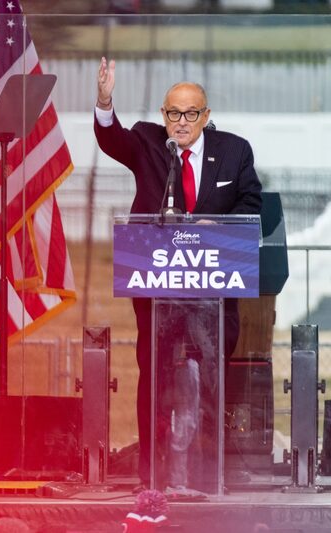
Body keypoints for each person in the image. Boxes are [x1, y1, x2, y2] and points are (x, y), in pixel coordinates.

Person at [94, 57, 262, 491]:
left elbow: (251, 205)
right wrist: (105, 99)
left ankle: (208, 475)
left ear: (205, 116)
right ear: (162, 115)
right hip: (156, 283)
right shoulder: (149, 143)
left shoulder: (234, 150)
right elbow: (112, 140)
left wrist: (218, 227)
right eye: (173, 113)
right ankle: (152, 475)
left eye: (190, 114)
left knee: (211, 376)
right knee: (153, 375)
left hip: (214, 285)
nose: (181, 122)